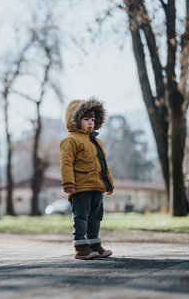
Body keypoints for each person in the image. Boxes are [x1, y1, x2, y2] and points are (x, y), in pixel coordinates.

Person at [59, 97, 114, 260]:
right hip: (80, 188)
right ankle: (81, 246)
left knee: (96, 217)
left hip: (96, 186)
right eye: (86, 119)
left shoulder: (96, 141)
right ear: (75, 120)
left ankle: (93, 244)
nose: (90, 122)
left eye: (93, 119)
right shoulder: (70, 141)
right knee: (81, 217)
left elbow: (103, 164)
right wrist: (68, 183)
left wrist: (108, 183)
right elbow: (66, 163)